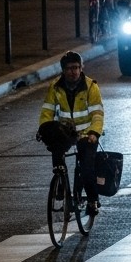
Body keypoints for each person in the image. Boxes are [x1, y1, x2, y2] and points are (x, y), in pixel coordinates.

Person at [38, 51, 105, 216]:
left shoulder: (91, 86)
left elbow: (97, 113)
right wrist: (43, 128)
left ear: (81, 68)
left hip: (86, 133)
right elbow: (47, 111)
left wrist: (94, 132)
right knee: (55, 147)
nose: (73, 71)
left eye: (76, 67)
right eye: (69, 68)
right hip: (66, 132)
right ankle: (60, 181)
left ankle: (92, 200)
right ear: (63, 70)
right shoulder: (55, 87)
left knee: (87, 169)